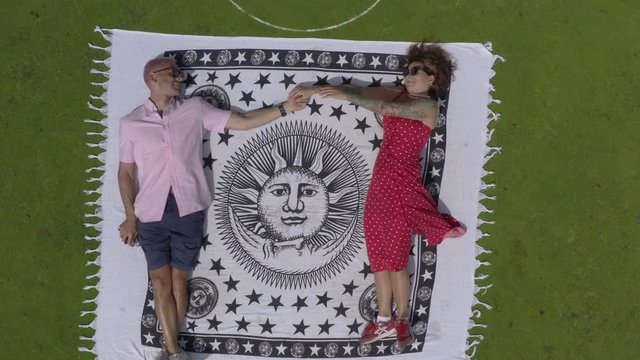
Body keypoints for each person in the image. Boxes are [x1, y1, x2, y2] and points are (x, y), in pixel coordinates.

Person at [118, 57, 307, 360]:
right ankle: (175, 352)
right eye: (174, 74)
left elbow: (242, 122)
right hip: (150, 213)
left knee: (179, 280)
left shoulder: (195, 109)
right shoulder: (130, 124)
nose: (180, 78)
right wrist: (130, 216)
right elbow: (126, 173)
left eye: (180, 74)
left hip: (189, 209)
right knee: (159, 281)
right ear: (154, 78)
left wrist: (284, 108)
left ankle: (170, 351)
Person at [294, 42, 465, 346]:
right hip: (380, 185)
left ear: (432, 78)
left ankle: (402, 322)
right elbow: (362, 93)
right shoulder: (397, 93)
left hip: (402, 185)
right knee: (379, 258)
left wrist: (346, 95)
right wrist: (314, 91)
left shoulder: (428, 107)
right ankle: (382, 320)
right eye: (409, 70)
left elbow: (386, 108)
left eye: (417, 71)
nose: (409, 75)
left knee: (397, 260)